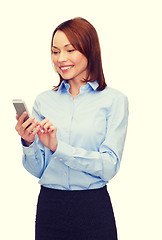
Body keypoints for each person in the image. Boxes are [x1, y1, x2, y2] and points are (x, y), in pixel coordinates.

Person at [15, 17, 129, 240]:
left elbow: (109, 166)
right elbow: (38, 170)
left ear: (89, 50)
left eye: (70, 50)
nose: (61, 59)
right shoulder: (44, 101)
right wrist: (28, 142)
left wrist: (59, 147)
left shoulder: (114, 101)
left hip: (93, 209)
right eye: (55, 51)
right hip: (50, 208)